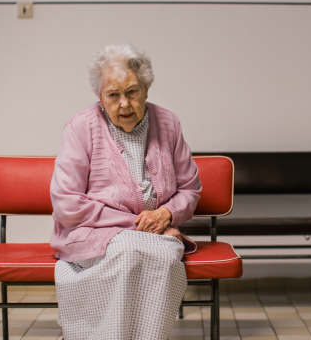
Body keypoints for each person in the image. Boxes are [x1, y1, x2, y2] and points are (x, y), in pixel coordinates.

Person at [50, 43, 201, 340]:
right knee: (129, 251)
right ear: (99, 96)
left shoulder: (169, 124)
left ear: (146, 88)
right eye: (113, 95)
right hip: (92, 233)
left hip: (158, 233)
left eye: (132, 92)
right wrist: (138, 225)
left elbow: (190, 188)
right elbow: (67, 203)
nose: (124, 104)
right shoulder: (81, 127)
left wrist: (167, 213)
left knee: (166, 254)